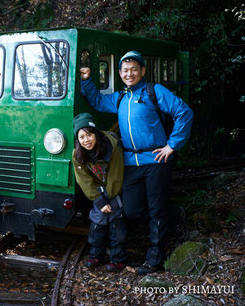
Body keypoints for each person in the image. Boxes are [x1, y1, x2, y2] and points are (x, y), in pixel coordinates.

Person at [79, 51, 193, 275]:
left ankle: (154, 259)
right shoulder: (120, 98)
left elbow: (184, 112)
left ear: (142, 71)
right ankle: (173, 215)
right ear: (120, 74)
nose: (129, 73)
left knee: (154, 209)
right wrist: (86, 80)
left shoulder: (154, 91)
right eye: (125, 70)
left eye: (134, 69)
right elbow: (98, 102)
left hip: (156, 159)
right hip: (131, 161)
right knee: (131, 210)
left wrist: (172, 145)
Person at [72, 113, 127, 272]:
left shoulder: (112, 146)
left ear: (96, 133)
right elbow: (83, 180)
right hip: (98, 190)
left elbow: (116, 175)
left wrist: (109, 201)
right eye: (81, 137)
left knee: (116, 221)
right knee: (98, 222)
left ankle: (118, 259)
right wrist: (99, 201)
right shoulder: (78, 153)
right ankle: (96, 255)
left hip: (115, 186)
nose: (86, 140)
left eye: (89, 135)